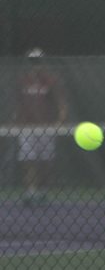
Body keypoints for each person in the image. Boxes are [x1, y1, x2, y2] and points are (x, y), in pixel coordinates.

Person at [15, 47, 67, 205]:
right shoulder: (23, 81)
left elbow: (60, 103)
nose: (35, 65)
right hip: (27, 127)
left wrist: (60, 121)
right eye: (32, 62)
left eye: (37, 61)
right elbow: (19, 104)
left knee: (45, 160)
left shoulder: (51, 80)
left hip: (47, 127)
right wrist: (16, 120)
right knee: (28, 159)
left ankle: (43, 191)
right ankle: (31, 192)